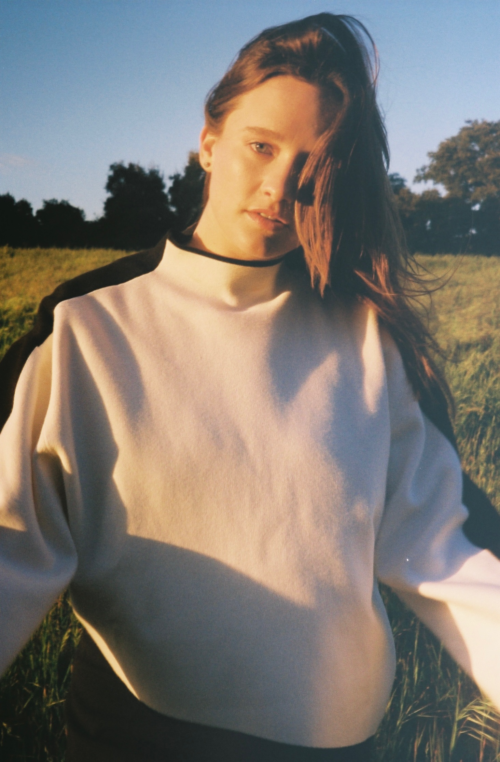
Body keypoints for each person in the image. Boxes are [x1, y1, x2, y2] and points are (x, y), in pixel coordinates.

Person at [1, 12, 499, 762]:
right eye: (261, 146)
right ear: (209, 141)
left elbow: (450, 553)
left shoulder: (367, 339)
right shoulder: (84, 328)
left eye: (315, 165)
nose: (281, 186)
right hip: (136, 741)